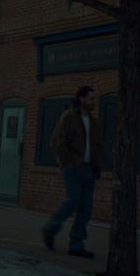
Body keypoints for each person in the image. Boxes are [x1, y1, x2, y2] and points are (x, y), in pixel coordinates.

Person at [41, 85, 101, 259]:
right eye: (91, 98)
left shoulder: (92, 120)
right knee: (73, 200)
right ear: (82, 99)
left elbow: (97, 145)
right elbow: (57, 142)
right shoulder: (68, 116)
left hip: (90, 169)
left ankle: (76, 245)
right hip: (73, 168)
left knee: (86, 208)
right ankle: (50, 229)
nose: (93, 102)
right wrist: (72, 162)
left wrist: (97, 165)